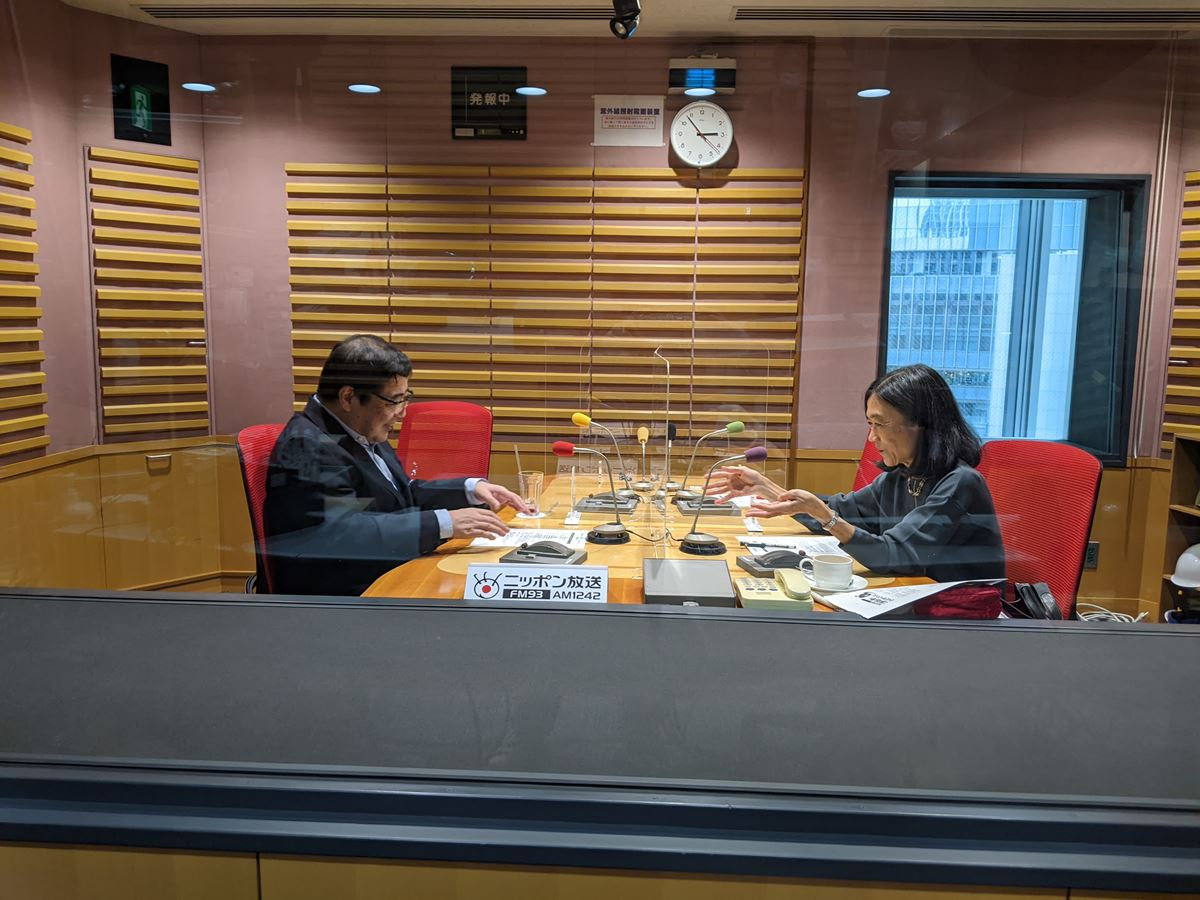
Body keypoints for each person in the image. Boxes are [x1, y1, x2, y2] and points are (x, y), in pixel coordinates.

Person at [263, 334, 528, 596]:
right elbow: (343, 533)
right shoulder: (308, 445)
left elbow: (402, 494)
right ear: (348, 398)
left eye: (406, 398)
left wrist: (470, 489)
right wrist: (443, 523)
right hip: (345, 598)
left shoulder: (358, 428)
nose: (402, 413)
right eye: (394, 400)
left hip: (386, 572)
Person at [711, 364, 1005, 583]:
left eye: (880, 424)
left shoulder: (959, 483)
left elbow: (896, 554)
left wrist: (827, 517)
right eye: (869, 424)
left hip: (964, 619)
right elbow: (841, 510)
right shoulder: (900, 477)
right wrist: (765, 487)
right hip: (918, 601)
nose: (871, 438)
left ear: (922, 425)